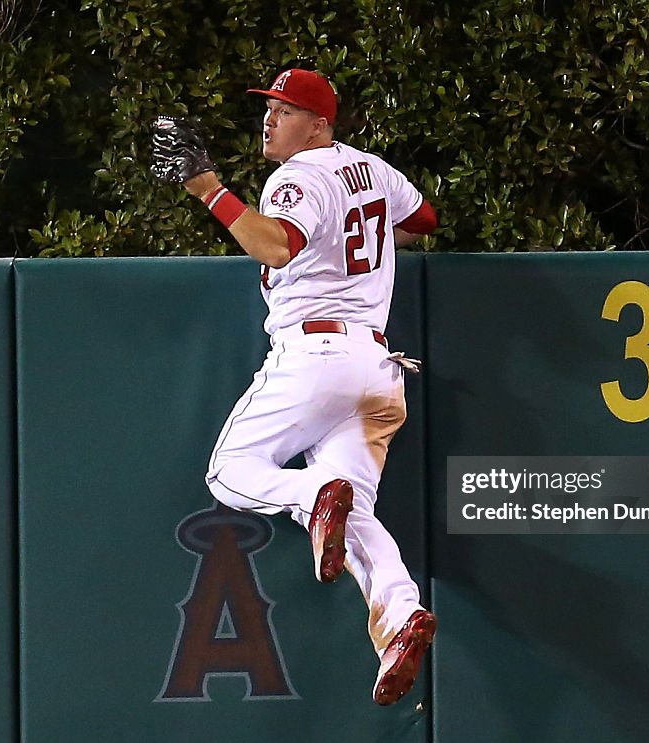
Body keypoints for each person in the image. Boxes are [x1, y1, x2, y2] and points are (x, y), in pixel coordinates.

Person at [150, 68, 439, 706]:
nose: (270, 119)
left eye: (284, 110)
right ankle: (400, 618)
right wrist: (361, 234)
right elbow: (425, 220)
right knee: (356, 512)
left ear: (319, 124)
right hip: (376, 368)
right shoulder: (375, 170)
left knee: (229, 472)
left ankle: (313, 493)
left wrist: (207, 188)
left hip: (316, 356)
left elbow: (275, 246)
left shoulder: (297, 176)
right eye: (270, 108)